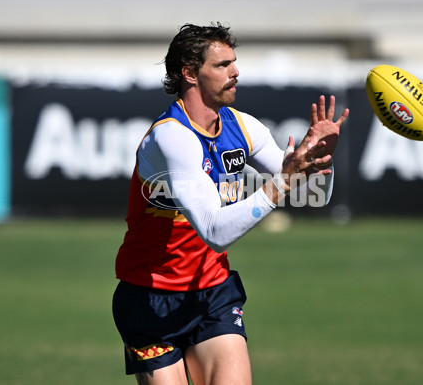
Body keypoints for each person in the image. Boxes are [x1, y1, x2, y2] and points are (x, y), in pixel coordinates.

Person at [112, 22, 349, 385]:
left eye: (234, 63)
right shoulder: (173, 138)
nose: (236, 72)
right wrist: (284, 180)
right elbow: (214, 231)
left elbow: (315, 195)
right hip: (151, 299)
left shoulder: (243, 126)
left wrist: (319, 162)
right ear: (189, 73)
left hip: (212, 294)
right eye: (222, 65)